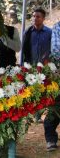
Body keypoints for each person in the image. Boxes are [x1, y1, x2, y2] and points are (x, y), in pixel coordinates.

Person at [44, 21, 60, 151]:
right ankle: (50, 139)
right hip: (58, 72)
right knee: (55, 106)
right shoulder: (58, 26)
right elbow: (56, 50)